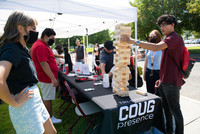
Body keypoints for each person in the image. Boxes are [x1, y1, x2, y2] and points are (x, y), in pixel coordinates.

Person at [122, 14, 184, 134]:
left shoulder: (174, 38)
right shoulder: (168, 39)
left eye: (165, 24)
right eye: (161, 25)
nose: (162, 27)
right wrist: (161, 78)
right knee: (166, 110)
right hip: (164, 81)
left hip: (172, 82)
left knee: (175, 111)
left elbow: (155, 48)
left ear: (172, 25)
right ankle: (169, 131)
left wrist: (133, 41)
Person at [0, 11, 56, 134]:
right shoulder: (11, 48)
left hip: (33, 99)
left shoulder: (21, 48)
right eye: (34, 28)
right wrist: (13, 101)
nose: (36, 32)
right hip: (25, 106)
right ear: (21, 29)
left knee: (51, 132)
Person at [31, 28, 62, 124]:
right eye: (51, 38)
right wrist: (53, 78)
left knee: (47, 97)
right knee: (47, 98)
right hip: (46, 78)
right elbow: (43, 63)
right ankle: (49, 118)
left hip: (45, 77)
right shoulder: (40, 46)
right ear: (45, 36)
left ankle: (48, 116)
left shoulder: (42, 44)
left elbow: (48, 58)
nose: (53, 41)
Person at [143, 30, 162, 95]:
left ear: (158, 37)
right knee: (149, 93)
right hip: (149, 72)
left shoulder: (162, 47)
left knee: (158, 93)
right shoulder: (148, 47)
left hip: (158, 73)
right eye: (150, 37)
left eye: (154, 37)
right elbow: (146, 62)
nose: (152, 38)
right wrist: (144, 73)